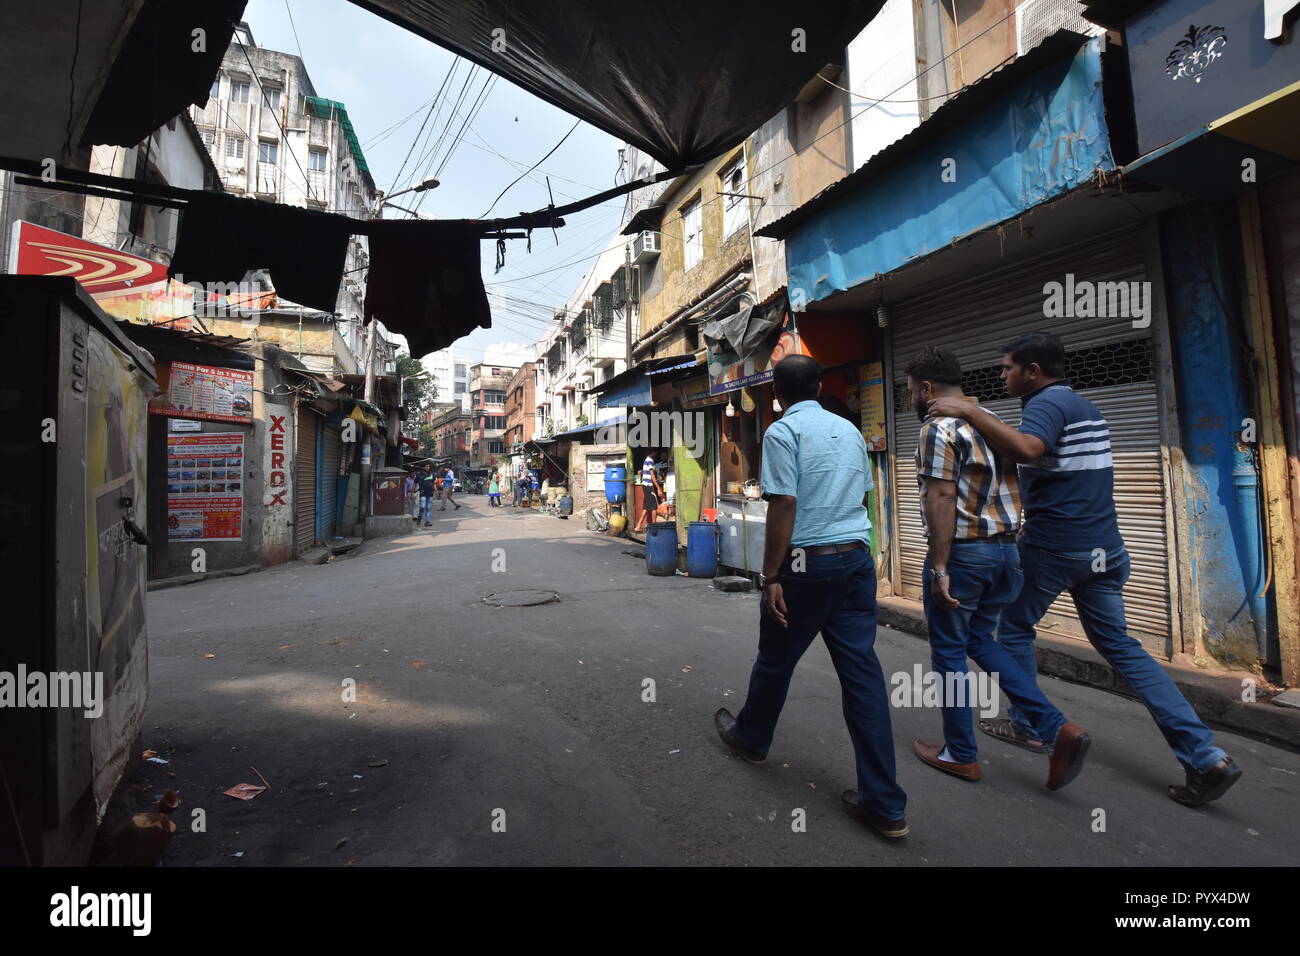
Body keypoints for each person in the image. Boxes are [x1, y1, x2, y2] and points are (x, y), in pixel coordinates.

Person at [928, 331, 1242, 807]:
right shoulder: (1083, 407)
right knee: (1122, 647)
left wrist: (970, 410)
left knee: (1007, 632)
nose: (1001, 376)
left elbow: (1029, 450)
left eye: (1007, 368)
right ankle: (1205, 755)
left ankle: (1032, 724)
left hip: (1057, 549)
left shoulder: (1046, 405)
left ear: (1032, 371)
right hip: (1104, 549)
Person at [714, 354, 909, 839]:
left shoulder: (782, 432)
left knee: (776, 659)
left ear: (776, 393)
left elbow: (783, 504)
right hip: (855, 560)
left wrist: (772, 575)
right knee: (862, 676)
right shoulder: (849, 431)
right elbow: (861, 495)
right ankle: (885, 805)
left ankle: (752, 739)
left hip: (807, 564)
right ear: (820, 386)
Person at [905, 347, 1089, 789]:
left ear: (927, 389)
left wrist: (940, 567)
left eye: (911, 391)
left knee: (950, 652)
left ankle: (961, 754)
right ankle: (1055, 726)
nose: (910, 398)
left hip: (966, 554)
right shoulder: (992, 421)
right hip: (1007, 554)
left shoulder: (938, 428)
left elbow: (941, 497)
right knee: (982, 642)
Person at [634, 451, 663, 533]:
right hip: (649, 486)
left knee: (646, 507)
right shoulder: (650, 460)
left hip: (645, 486)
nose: (657, 454)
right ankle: (654, 528)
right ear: (654, 452)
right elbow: (652, 476)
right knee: (654, 507)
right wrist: (658, 489)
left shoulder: (647, 460)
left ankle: (638, 526)